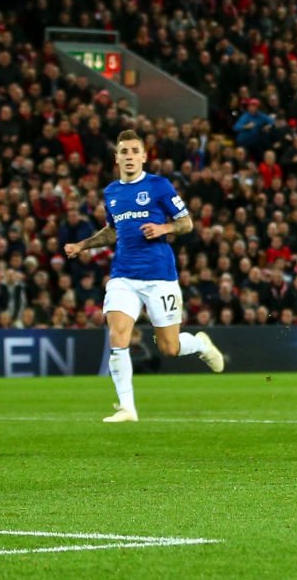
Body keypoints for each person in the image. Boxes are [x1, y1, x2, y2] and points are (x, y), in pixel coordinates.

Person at [64, 129, 224, 423]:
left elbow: (186, 223)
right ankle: (127, 407)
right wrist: (82, 245)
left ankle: (200, 344)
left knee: (170, 348)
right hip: (123, 275)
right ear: (116, 158)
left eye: (134, 151)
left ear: (143, 156)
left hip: (160, 276)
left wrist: (164, 229)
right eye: (123, 152)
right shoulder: (111, 193)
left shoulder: (159, 186)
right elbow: (112, 231)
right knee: (118, 333)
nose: (129, 157)